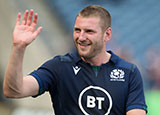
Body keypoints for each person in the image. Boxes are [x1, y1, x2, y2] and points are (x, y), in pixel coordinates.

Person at [3, 5, 147, 115]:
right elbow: (14, 91)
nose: (81, 37)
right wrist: (19, 47)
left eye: (89, 31)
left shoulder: (129, 73)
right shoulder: (59, 66)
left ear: (107, 35)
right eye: (77, 30)